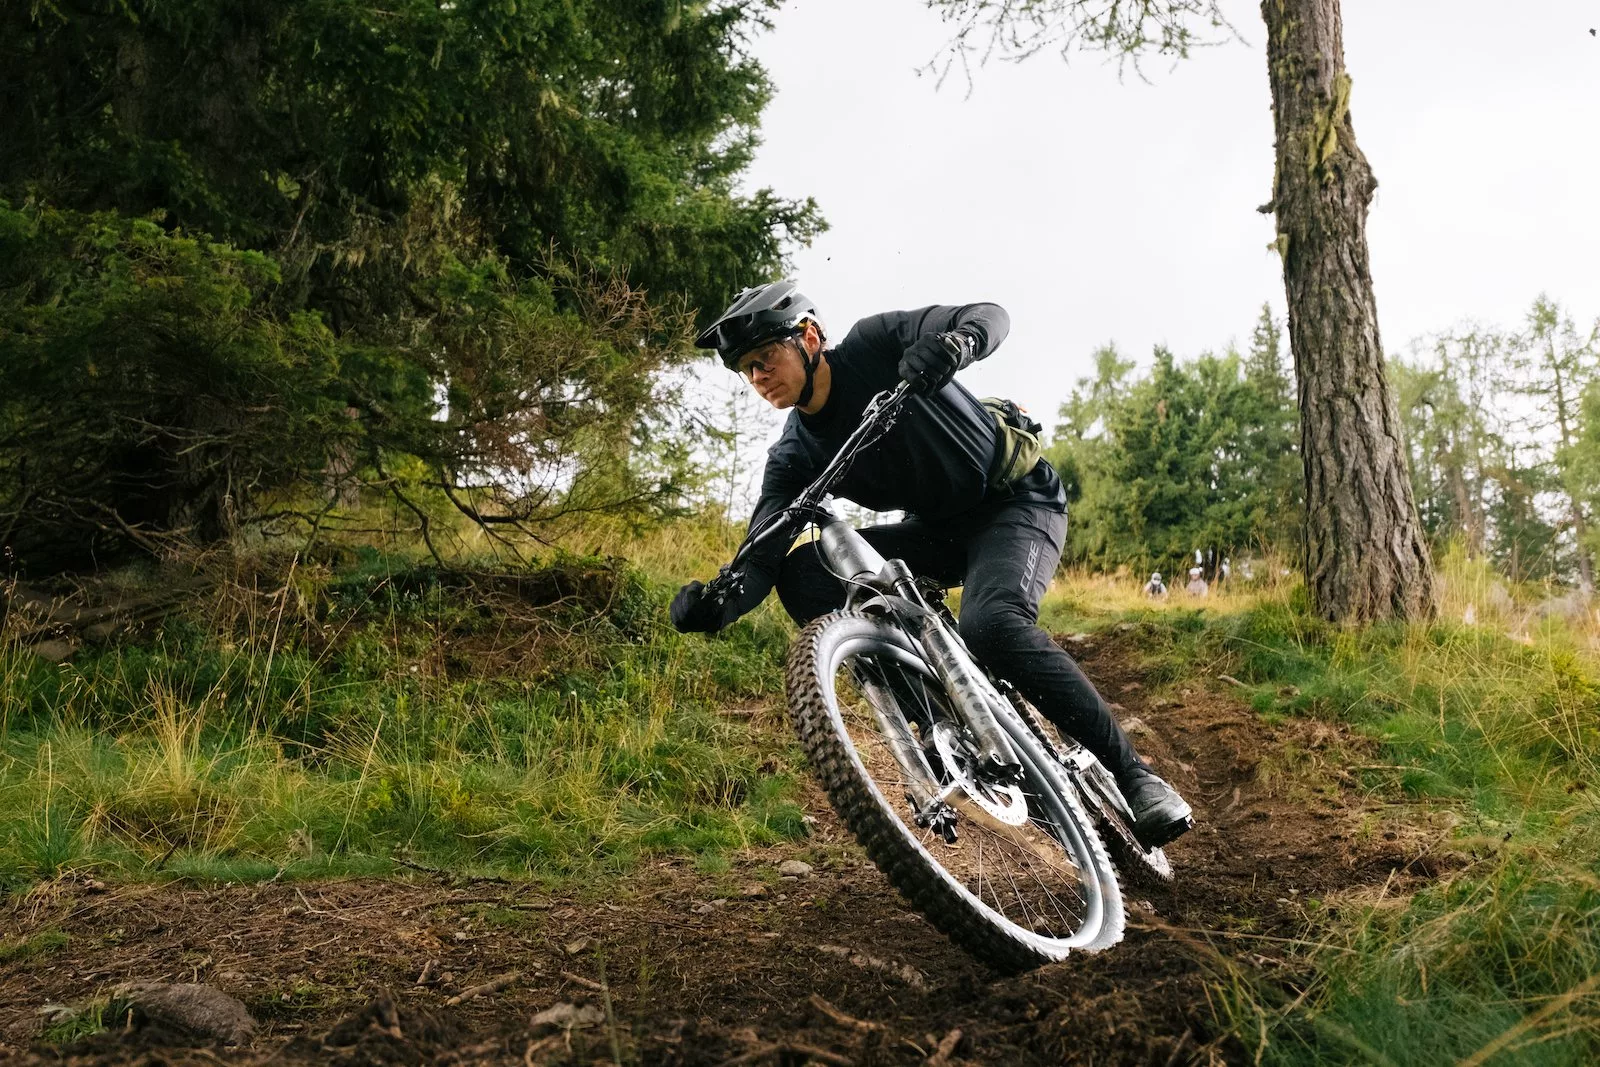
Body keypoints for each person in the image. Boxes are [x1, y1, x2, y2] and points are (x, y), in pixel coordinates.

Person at [669, 280, 1192, 848]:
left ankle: (1136, 776)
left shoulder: (875, 346)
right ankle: (939, 722)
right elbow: (763, 553)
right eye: (746, 370)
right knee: (804, 572)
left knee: (992, 624)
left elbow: (989, 314)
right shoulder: (794, 454)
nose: (758, 377)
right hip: (935, 533)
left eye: (765, 358)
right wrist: (719, 606)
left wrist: (956, 344)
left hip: (1015, 503)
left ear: (810, 337)